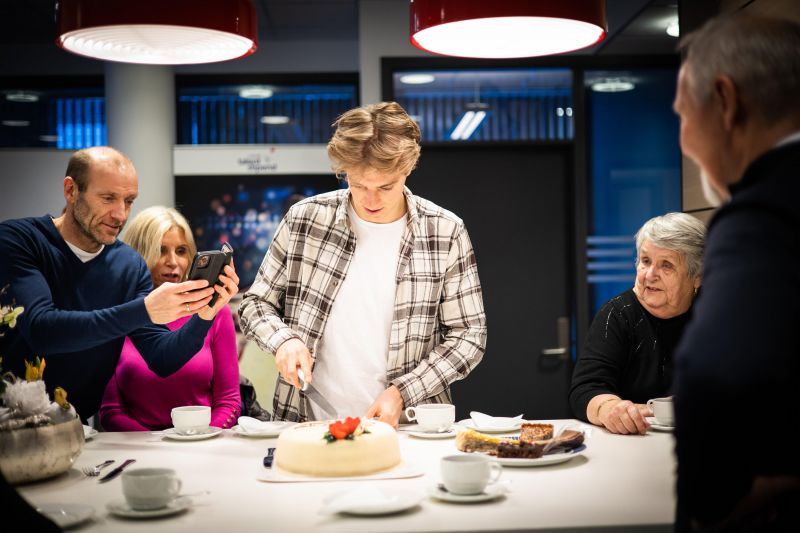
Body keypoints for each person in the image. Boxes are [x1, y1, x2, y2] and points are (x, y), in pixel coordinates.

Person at [238, 101, 487, 427]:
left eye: (385, 187)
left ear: (408, 168)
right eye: (357, 185)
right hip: (306, 422)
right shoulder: (306, 220)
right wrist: (283, 340)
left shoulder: (444, 231)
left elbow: (469, 335)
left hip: (406, 427)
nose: (370, 200)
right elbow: (256, 304)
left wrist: (402, 392)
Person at [672, 14, 800, 531]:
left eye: (682, 114)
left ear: (726, 102)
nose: (681, 138)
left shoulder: (763, 212)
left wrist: (714, 503)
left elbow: (715, 372)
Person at [0, 146, 238, 421]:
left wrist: (205, 313)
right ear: (71, 190)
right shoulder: (20, 240)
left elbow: (162, 358)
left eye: (128, 201)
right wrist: (144, 310)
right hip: (10, 422)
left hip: (76, 425)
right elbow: (43, 330)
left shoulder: (129, 265)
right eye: (108, 198)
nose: (120, 215)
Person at [98, 207, 241, 431]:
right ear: (138, 254)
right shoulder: (121, 312)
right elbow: (111, 411)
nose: (173, 261)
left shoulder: (215, 310)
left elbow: (229, 402)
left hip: (202, 445)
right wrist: (157, 448)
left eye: (182, 251)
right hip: (138, 452)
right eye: (161, 250)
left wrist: (200, 440)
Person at [569, 212, 704, 435]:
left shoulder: (714, 314)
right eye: (645, 261)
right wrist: (609, 408)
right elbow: (585, 388)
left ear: (697, 276)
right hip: (634, 441)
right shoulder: (618, 313)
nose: (650, 274)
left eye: (666, 265)